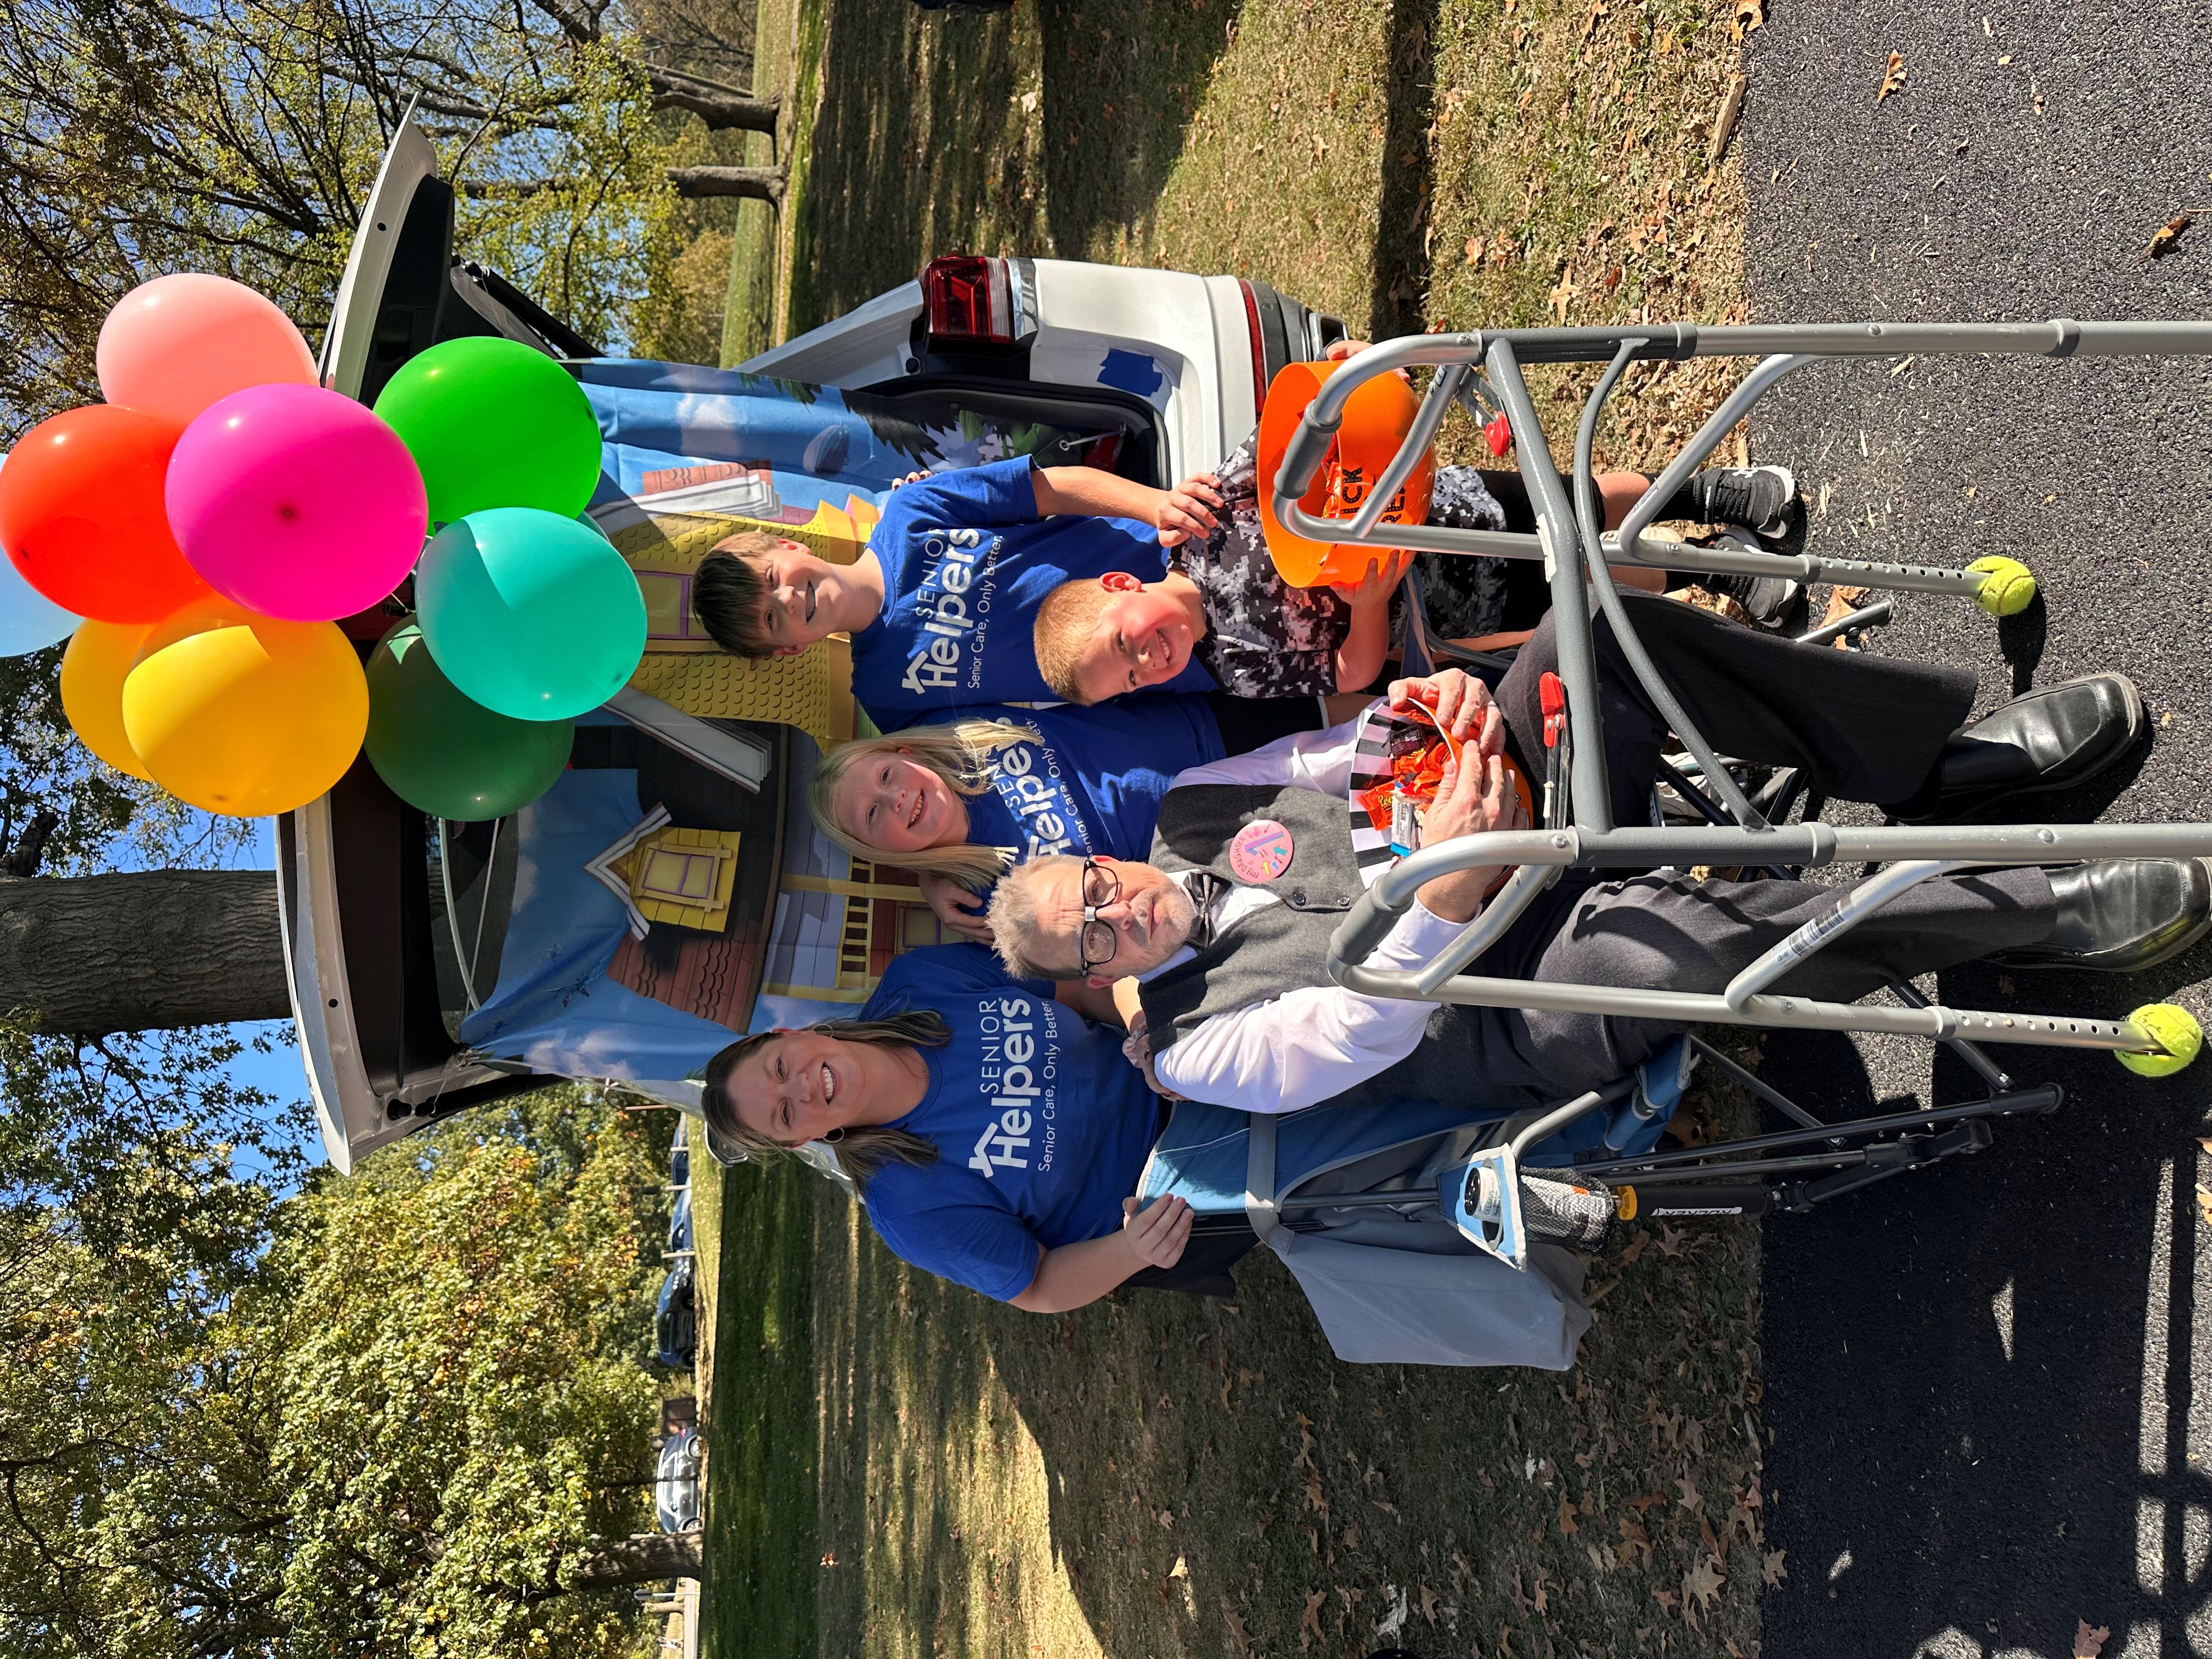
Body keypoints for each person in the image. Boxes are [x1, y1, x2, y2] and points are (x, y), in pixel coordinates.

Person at [985, 589, 2201, 1112]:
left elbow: (1349, 751)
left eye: (1092, 888)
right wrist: (1452, 878)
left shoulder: (1191, 804)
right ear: (1092, 977)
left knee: (1586, 641)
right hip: (1498, 995)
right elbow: (1364, 1029)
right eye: (1089, 936)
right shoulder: (1194, 1049)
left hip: (1496, 817)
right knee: (1659, 951)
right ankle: (2033, 916)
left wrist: (1436, 719)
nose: (1116, 912)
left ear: (1099, 858)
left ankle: (1939, 775)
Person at [1027, 341, 1805, 704]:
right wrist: (1367, 609)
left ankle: (1709, 496)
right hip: (1463, 614)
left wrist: (1349, 378)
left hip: (1443, 511)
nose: (1148, 659)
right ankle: (1720, 570)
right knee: (1588, 579)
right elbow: (1350, 676)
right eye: (1132, 679)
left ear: (1122, 581)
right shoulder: (1231, 667)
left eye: (1125, 642)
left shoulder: (1198, 519)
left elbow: (1299, 437)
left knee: (1581, 502)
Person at [700, 943, 1204, 1311]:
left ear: (790, 1034)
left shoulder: (920, 979)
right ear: (799, 1140)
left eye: (781, 1068)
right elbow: (1038, 1283)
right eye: (786, 1113)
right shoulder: (907, 1209)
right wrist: (1133, 1249)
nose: (802, 1089)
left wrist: (1143, 1027)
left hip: (1169, 1057)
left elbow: (1072, 989)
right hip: (1172, 1191)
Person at [687, 457, 1234, 731]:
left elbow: (1051, 489)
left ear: (788, 545)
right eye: (771, 620)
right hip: (1196, 669)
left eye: (772, 580)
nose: (786, 600)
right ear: (789, 649)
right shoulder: (885, 697)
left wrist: (1157, 506)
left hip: (1185, 554)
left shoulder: (911, 512)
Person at [808, 691, 1231, 942]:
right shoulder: (980, 903)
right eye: (872, 814)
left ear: (906, 754)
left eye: (885, 776)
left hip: (1208, 724)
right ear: (876, 850)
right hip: (1224, 832)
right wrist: (932, 871)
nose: (894, 799)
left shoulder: (950, 725)